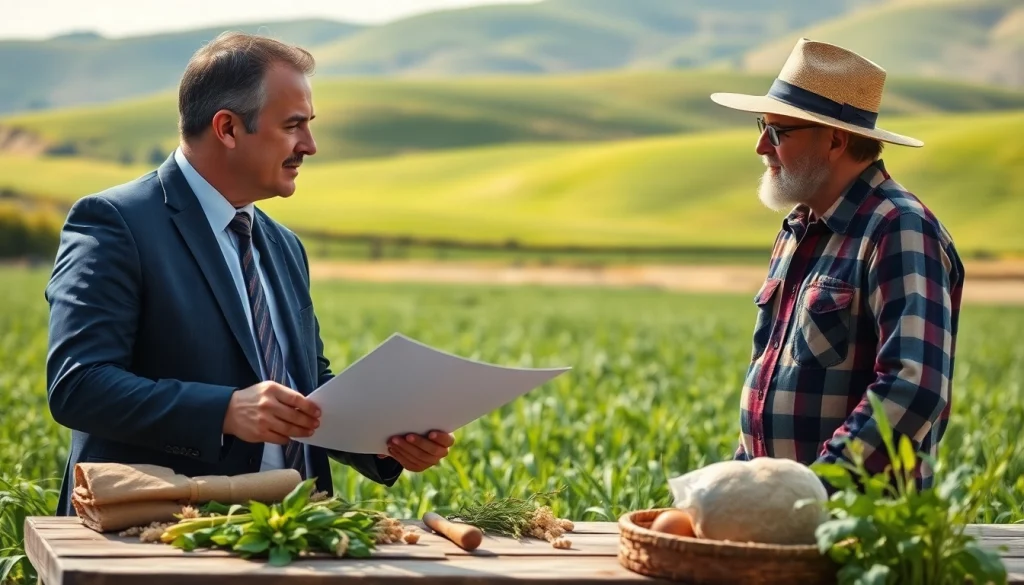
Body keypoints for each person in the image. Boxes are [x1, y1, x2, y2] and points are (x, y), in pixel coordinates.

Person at [44, 32, 454, 516]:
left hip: (295, 531)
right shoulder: (115, 222)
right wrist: (224, 410)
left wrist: (383, 442)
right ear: (228, 128)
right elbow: (79, 385)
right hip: (162, 533)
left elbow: (304, 386)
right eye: (293, 125)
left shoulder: (284, 245)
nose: (310, 145)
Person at [709, 38, 964, 491]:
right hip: (784, 515)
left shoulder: (898, 229)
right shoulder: (799, 228)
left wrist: (817, 490)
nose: (761, 147)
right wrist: (745, 484)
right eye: (761, 127)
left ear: (835, 140)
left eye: (778, 132)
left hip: (857, 524)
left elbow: (914, 388)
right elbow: (770, 380)